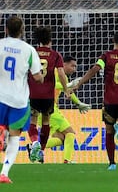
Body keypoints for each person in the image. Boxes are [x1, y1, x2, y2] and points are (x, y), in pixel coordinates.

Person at [73, 31, 118, 170]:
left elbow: (95, 69)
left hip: (109, 100)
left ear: (113, 40)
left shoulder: (106, 56)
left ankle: (112, 163)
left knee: (109, 132)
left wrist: (80, 83)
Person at [0, 16, 43, 183]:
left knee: (4, 128)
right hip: (18, 100)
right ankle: (4, 173)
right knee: (15, 136)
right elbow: (37, 77)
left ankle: (1, 129)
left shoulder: (0, 45)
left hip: (0, 96)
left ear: (6, 29)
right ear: (22, 31)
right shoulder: (29, 50)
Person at [27, 56, 91, 164]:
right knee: (70, 133)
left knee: (62, 138)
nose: (74, 69)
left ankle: (34, 146)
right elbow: (51, 85)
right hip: (48, 109)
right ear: (64, 64)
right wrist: (67, 85)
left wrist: (78, 103)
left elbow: (68, 91)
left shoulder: (64, 78)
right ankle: (67, 160)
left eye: (75, 66)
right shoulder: (55, 72)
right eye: (72, 66)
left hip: (48, 109)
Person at [27, 26, 70, 163]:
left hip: (33, 93)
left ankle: (34, 143)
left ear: (37, 40)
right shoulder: (55, 55)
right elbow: (62, 74)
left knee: (33, 120)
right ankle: (40, 151)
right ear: (50, 40)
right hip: (48, 96)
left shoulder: (31, 53)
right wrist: (66, 89)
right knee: (46, 121)